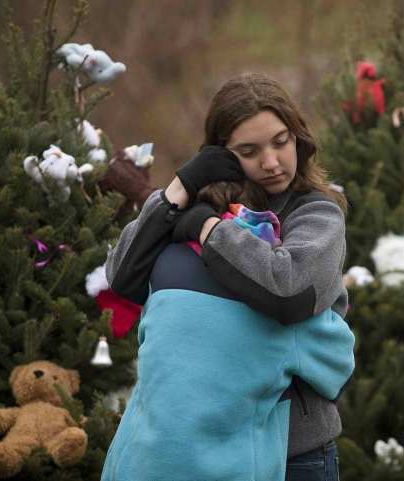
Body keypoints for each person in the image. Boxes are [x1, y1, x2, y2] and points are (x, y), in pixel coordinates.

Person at [102, 73, 353, 481]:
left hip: (294, 451)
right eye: (249, 151)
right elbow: (124, 277)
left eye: (280, 141)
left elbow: (289, 289)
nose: (271, 162)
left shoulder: (315, 214)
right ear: (221, 154)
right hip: (205, 449)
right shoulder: (189, 203)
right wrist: (178, 190)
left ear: (298, 138)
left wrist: (209, 232)